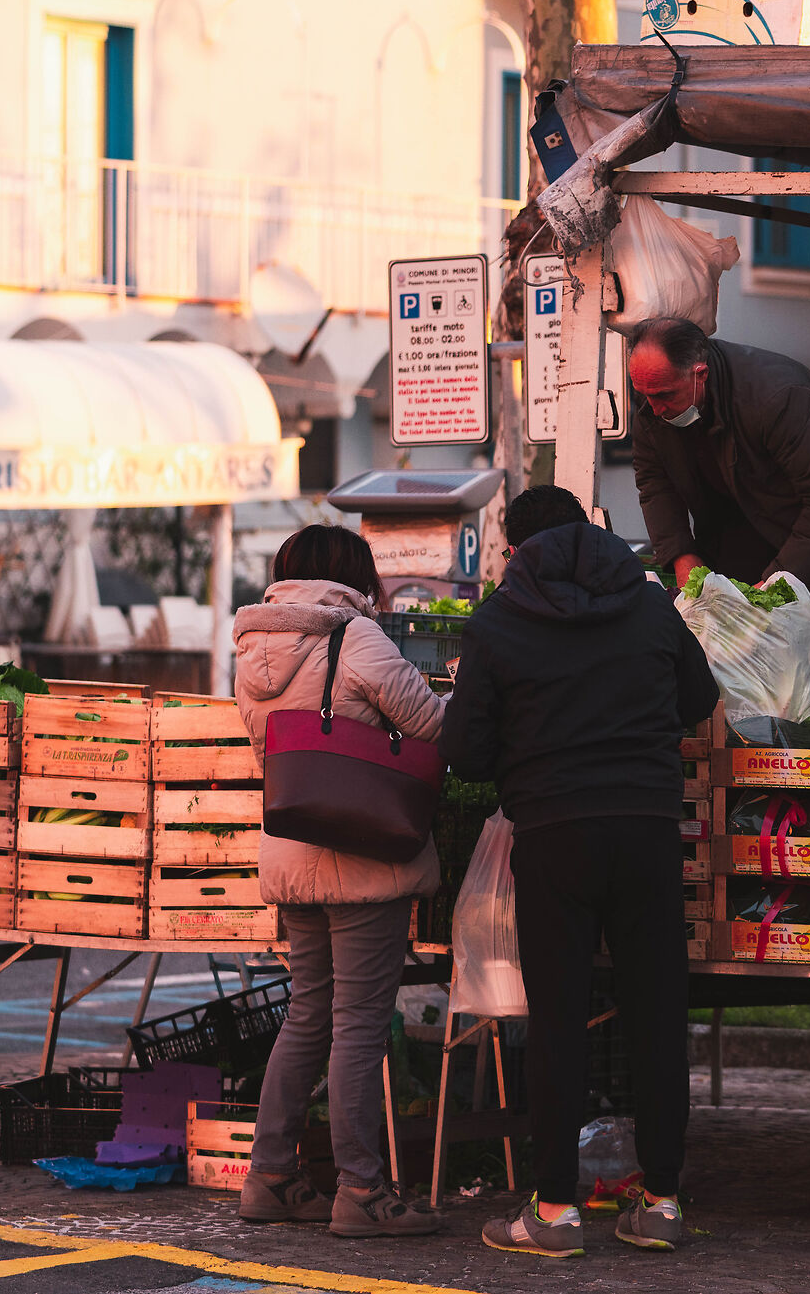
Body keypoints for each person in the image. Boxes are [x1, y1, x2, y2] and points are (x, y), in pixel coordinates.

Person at [439, 483, 719, 1258]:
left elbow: (464, 749)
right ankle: (661, 1198)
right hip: (648, 829)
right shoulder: (648, 602)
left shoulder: (500, 620)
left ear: (516, 546)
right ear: (591, 531)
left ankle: (555, 1210)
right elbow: (699, 697)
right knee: (657, 1014)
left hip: (554, 834)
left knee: (559, 1019)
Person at [232, 524, 445, 1238]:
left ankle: (270, 1174)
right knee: (357, 1023)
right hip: (362, 857)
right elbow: (428, 723)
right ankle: (362, 1188)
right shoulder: (353, 636)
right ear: (353, 574)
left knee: (307, 1013)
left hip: (293, 850)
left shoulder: (252, 648)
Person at [626, 316, 810, 702]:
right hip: (750, 526)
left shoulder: (776, 393)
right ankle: (767, 754)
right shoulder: (653, 405)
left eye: (664, 395)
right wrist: (682, 555)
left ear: (700, 374)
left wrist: (777, 581)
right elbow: (654, 482)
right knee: (749, 663)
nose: (654, 408)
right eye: (644, 394)